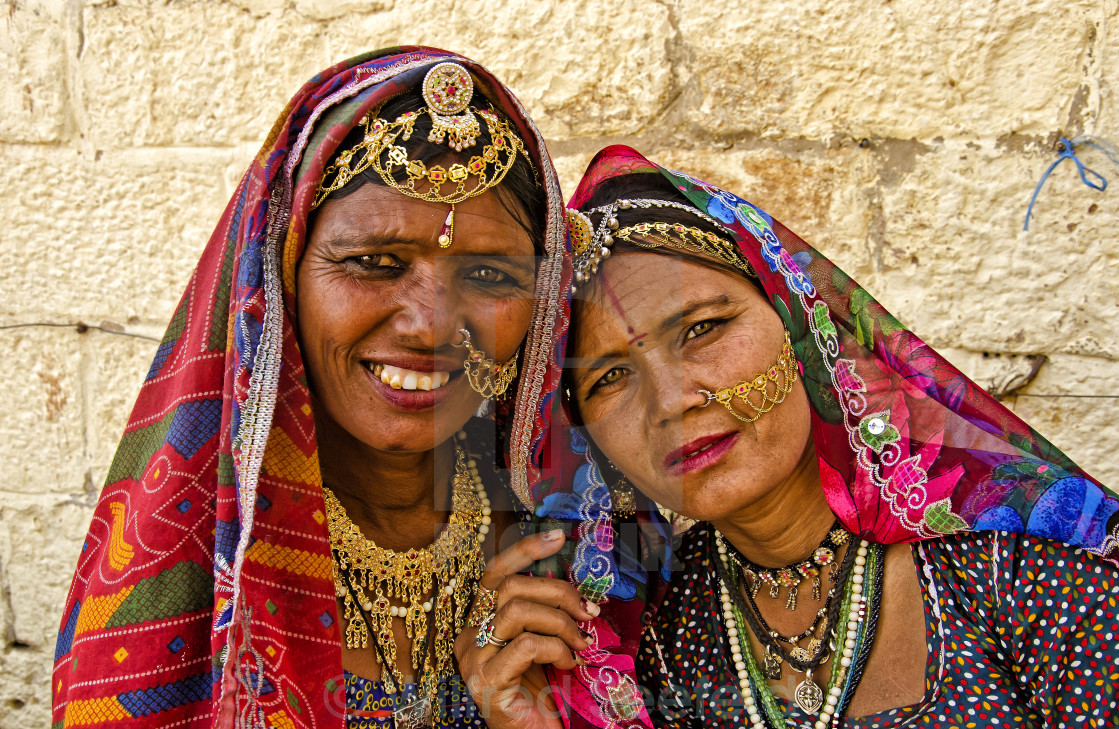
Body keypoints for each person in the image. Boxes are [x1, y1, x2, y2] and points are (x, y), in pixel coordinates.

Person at [51, 48, 590, 729]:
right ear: (278, 280)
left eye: (488, 276)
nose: (427, 326)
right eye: (373, 263)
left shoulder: (575, 547)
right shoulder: (182, 560)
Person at [533, 144, 1119, 728]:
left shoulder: (1027, 574)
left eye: (701, 329)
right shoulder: (648, 645)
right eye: (608, 377)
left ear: (799, 327)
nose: (670, 402)